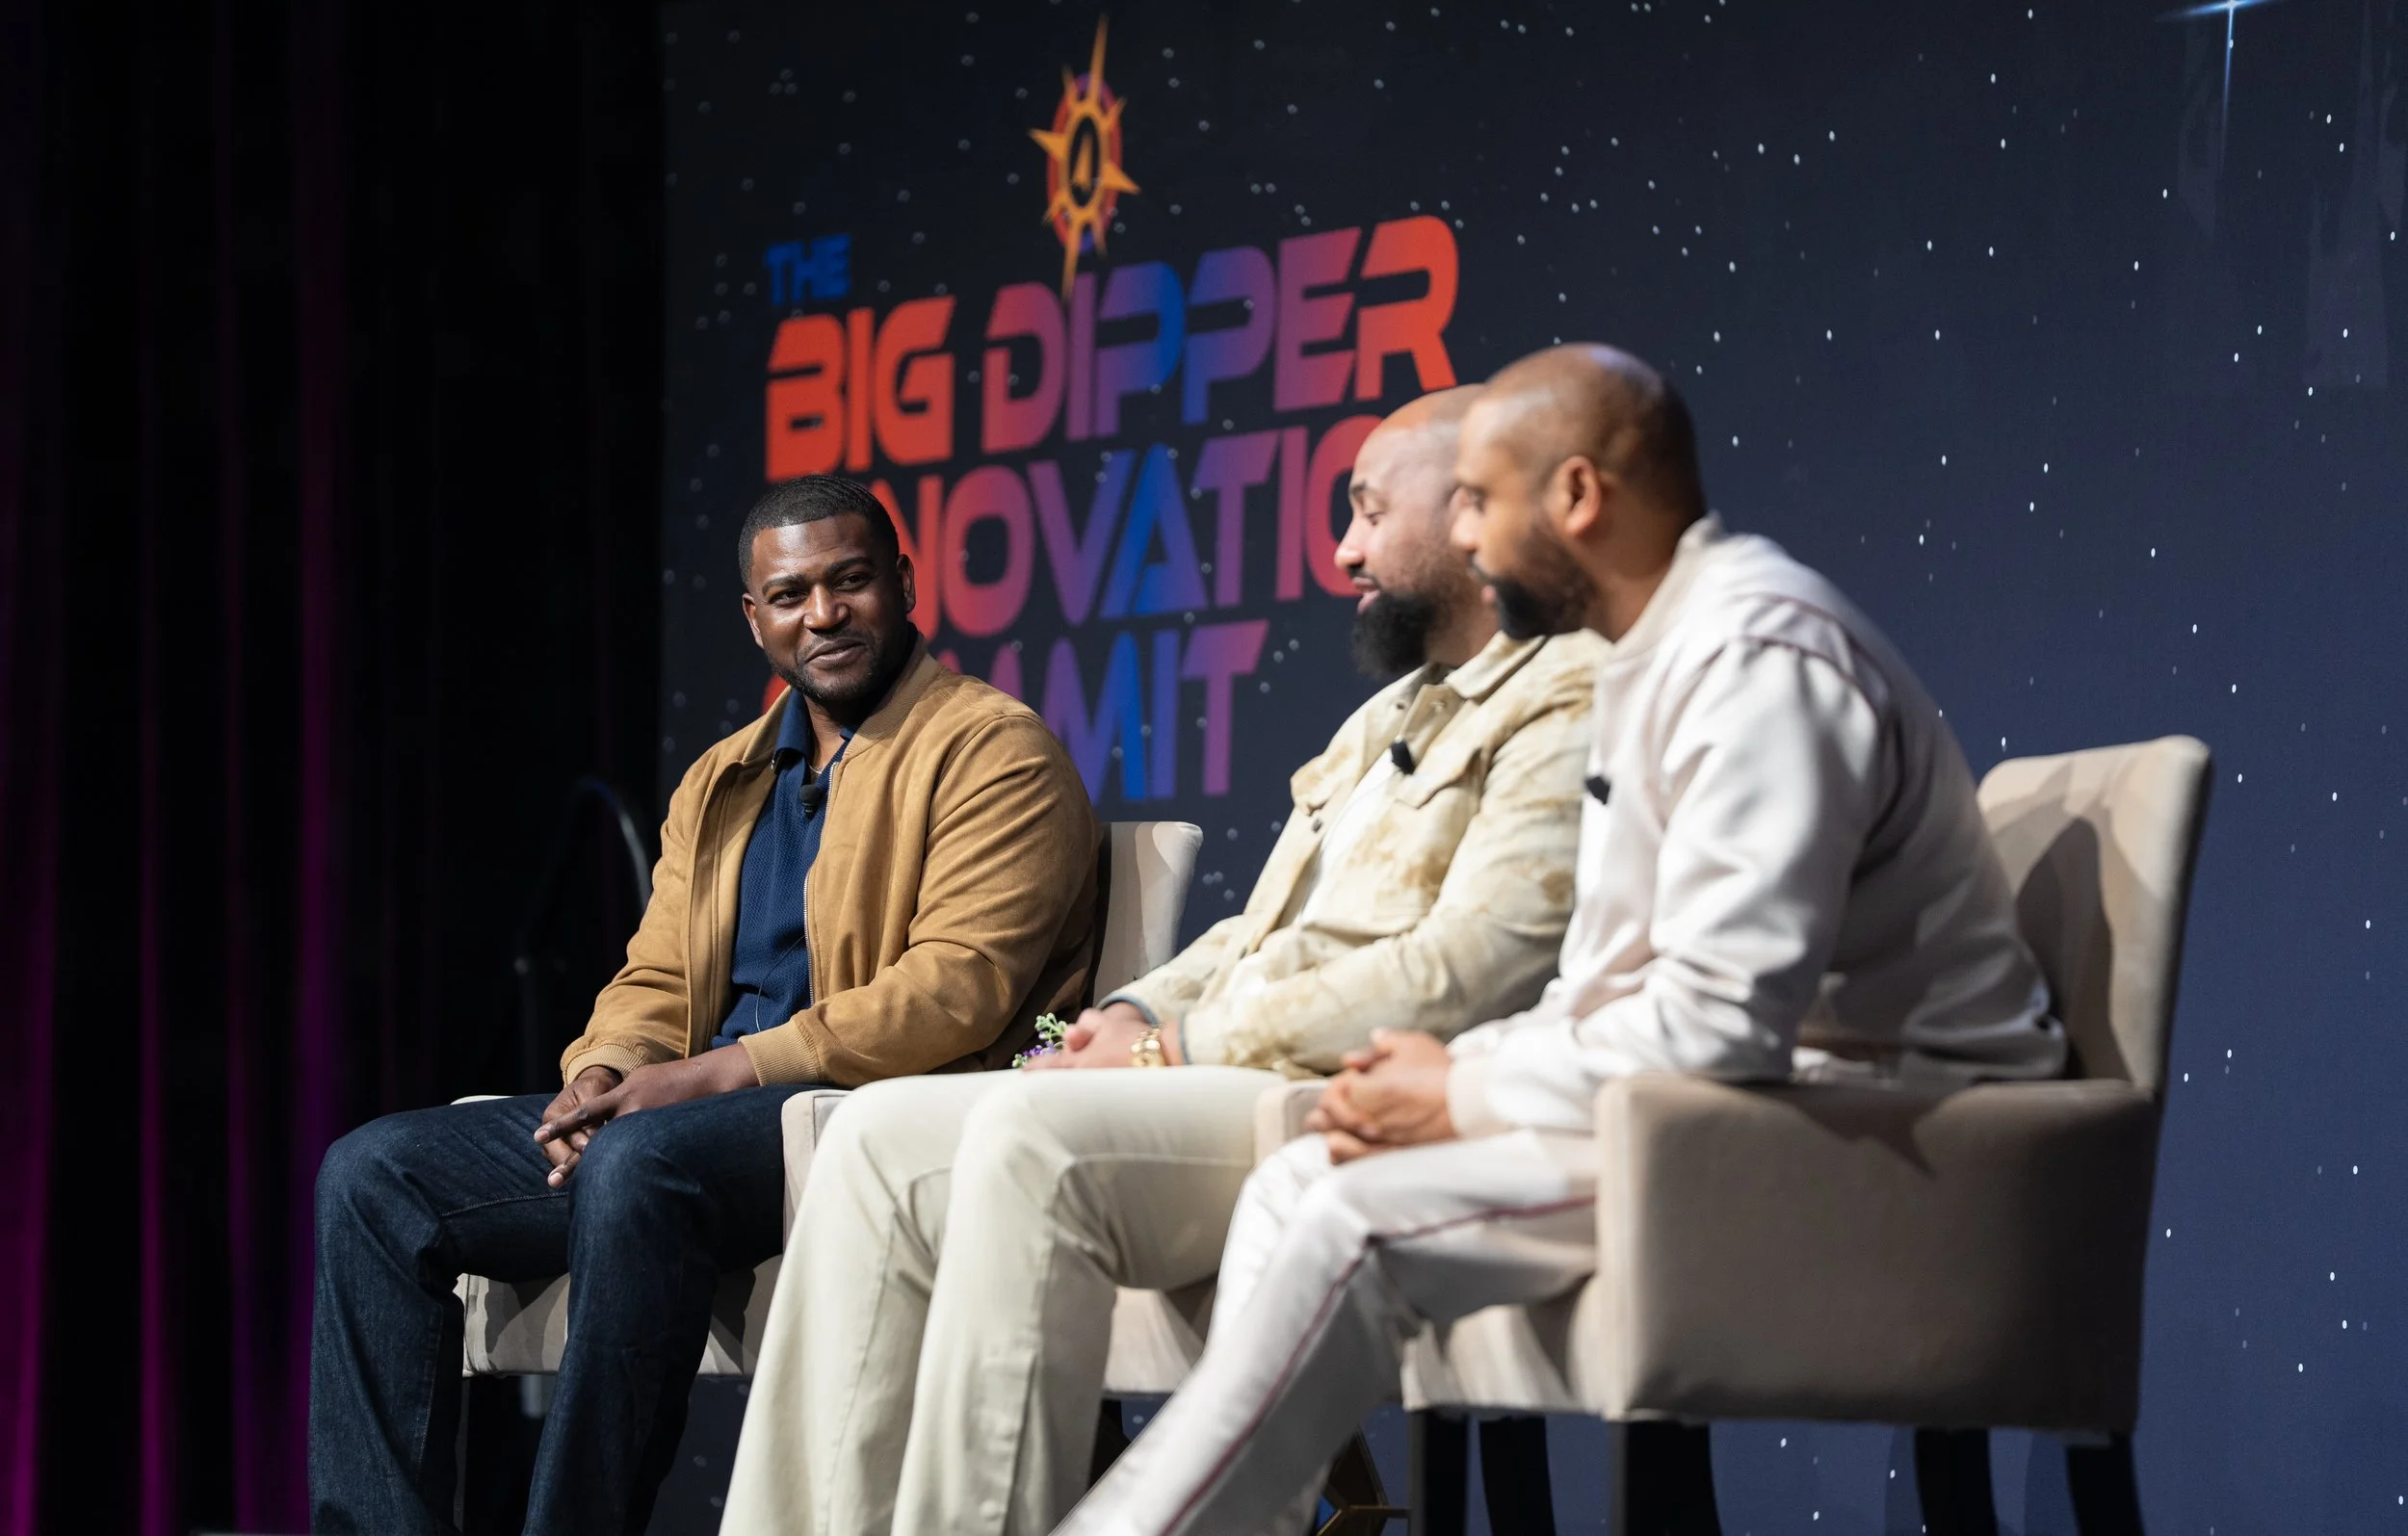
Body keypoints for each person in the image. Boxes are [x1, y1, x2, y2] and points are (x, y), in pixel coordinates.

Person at [1053, 344, 2068, 1536]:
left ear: (1578, 496)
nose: (1465, 544)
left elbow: (1718, 1024)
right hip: (1732, 1111)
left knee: (1343, 1219)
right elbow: (1615, 986)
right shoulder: (1656, 656)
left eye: (1478, 501)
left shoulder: (1754, 656)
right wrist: (1444, 1077)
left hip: (1874, 1138)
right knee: (1297, 1183)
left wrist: (1463, 1089)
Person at [716, 386, 1605, 1536]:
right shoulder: (1390, 711)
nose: (1341, 549)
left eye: (1368, 511)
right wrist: (1128, 1009)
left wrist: (1179, 1043)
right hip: (1226, 1062)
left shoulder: (1574, 693)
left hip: (1351, 1089)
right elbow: (1257, 931)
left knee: (1029, 1141)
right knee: (869, 1136)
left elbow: (1482, 960)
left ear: (1474, 509)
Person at [307, 477, 1101, 1536]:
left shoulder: (994, 750)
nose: (822, 614)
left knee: (641, 1160)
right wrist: (603, 1069)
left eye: (850, 581)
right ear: (754, 616)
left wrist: (706, 1076)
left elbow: (955, 990)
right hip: (695, 1127)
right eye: (789, 594)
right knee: (374, 1173)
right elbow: (657, 976)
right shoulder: (723, 777)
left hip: (878, 1119)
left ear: (903, 583)